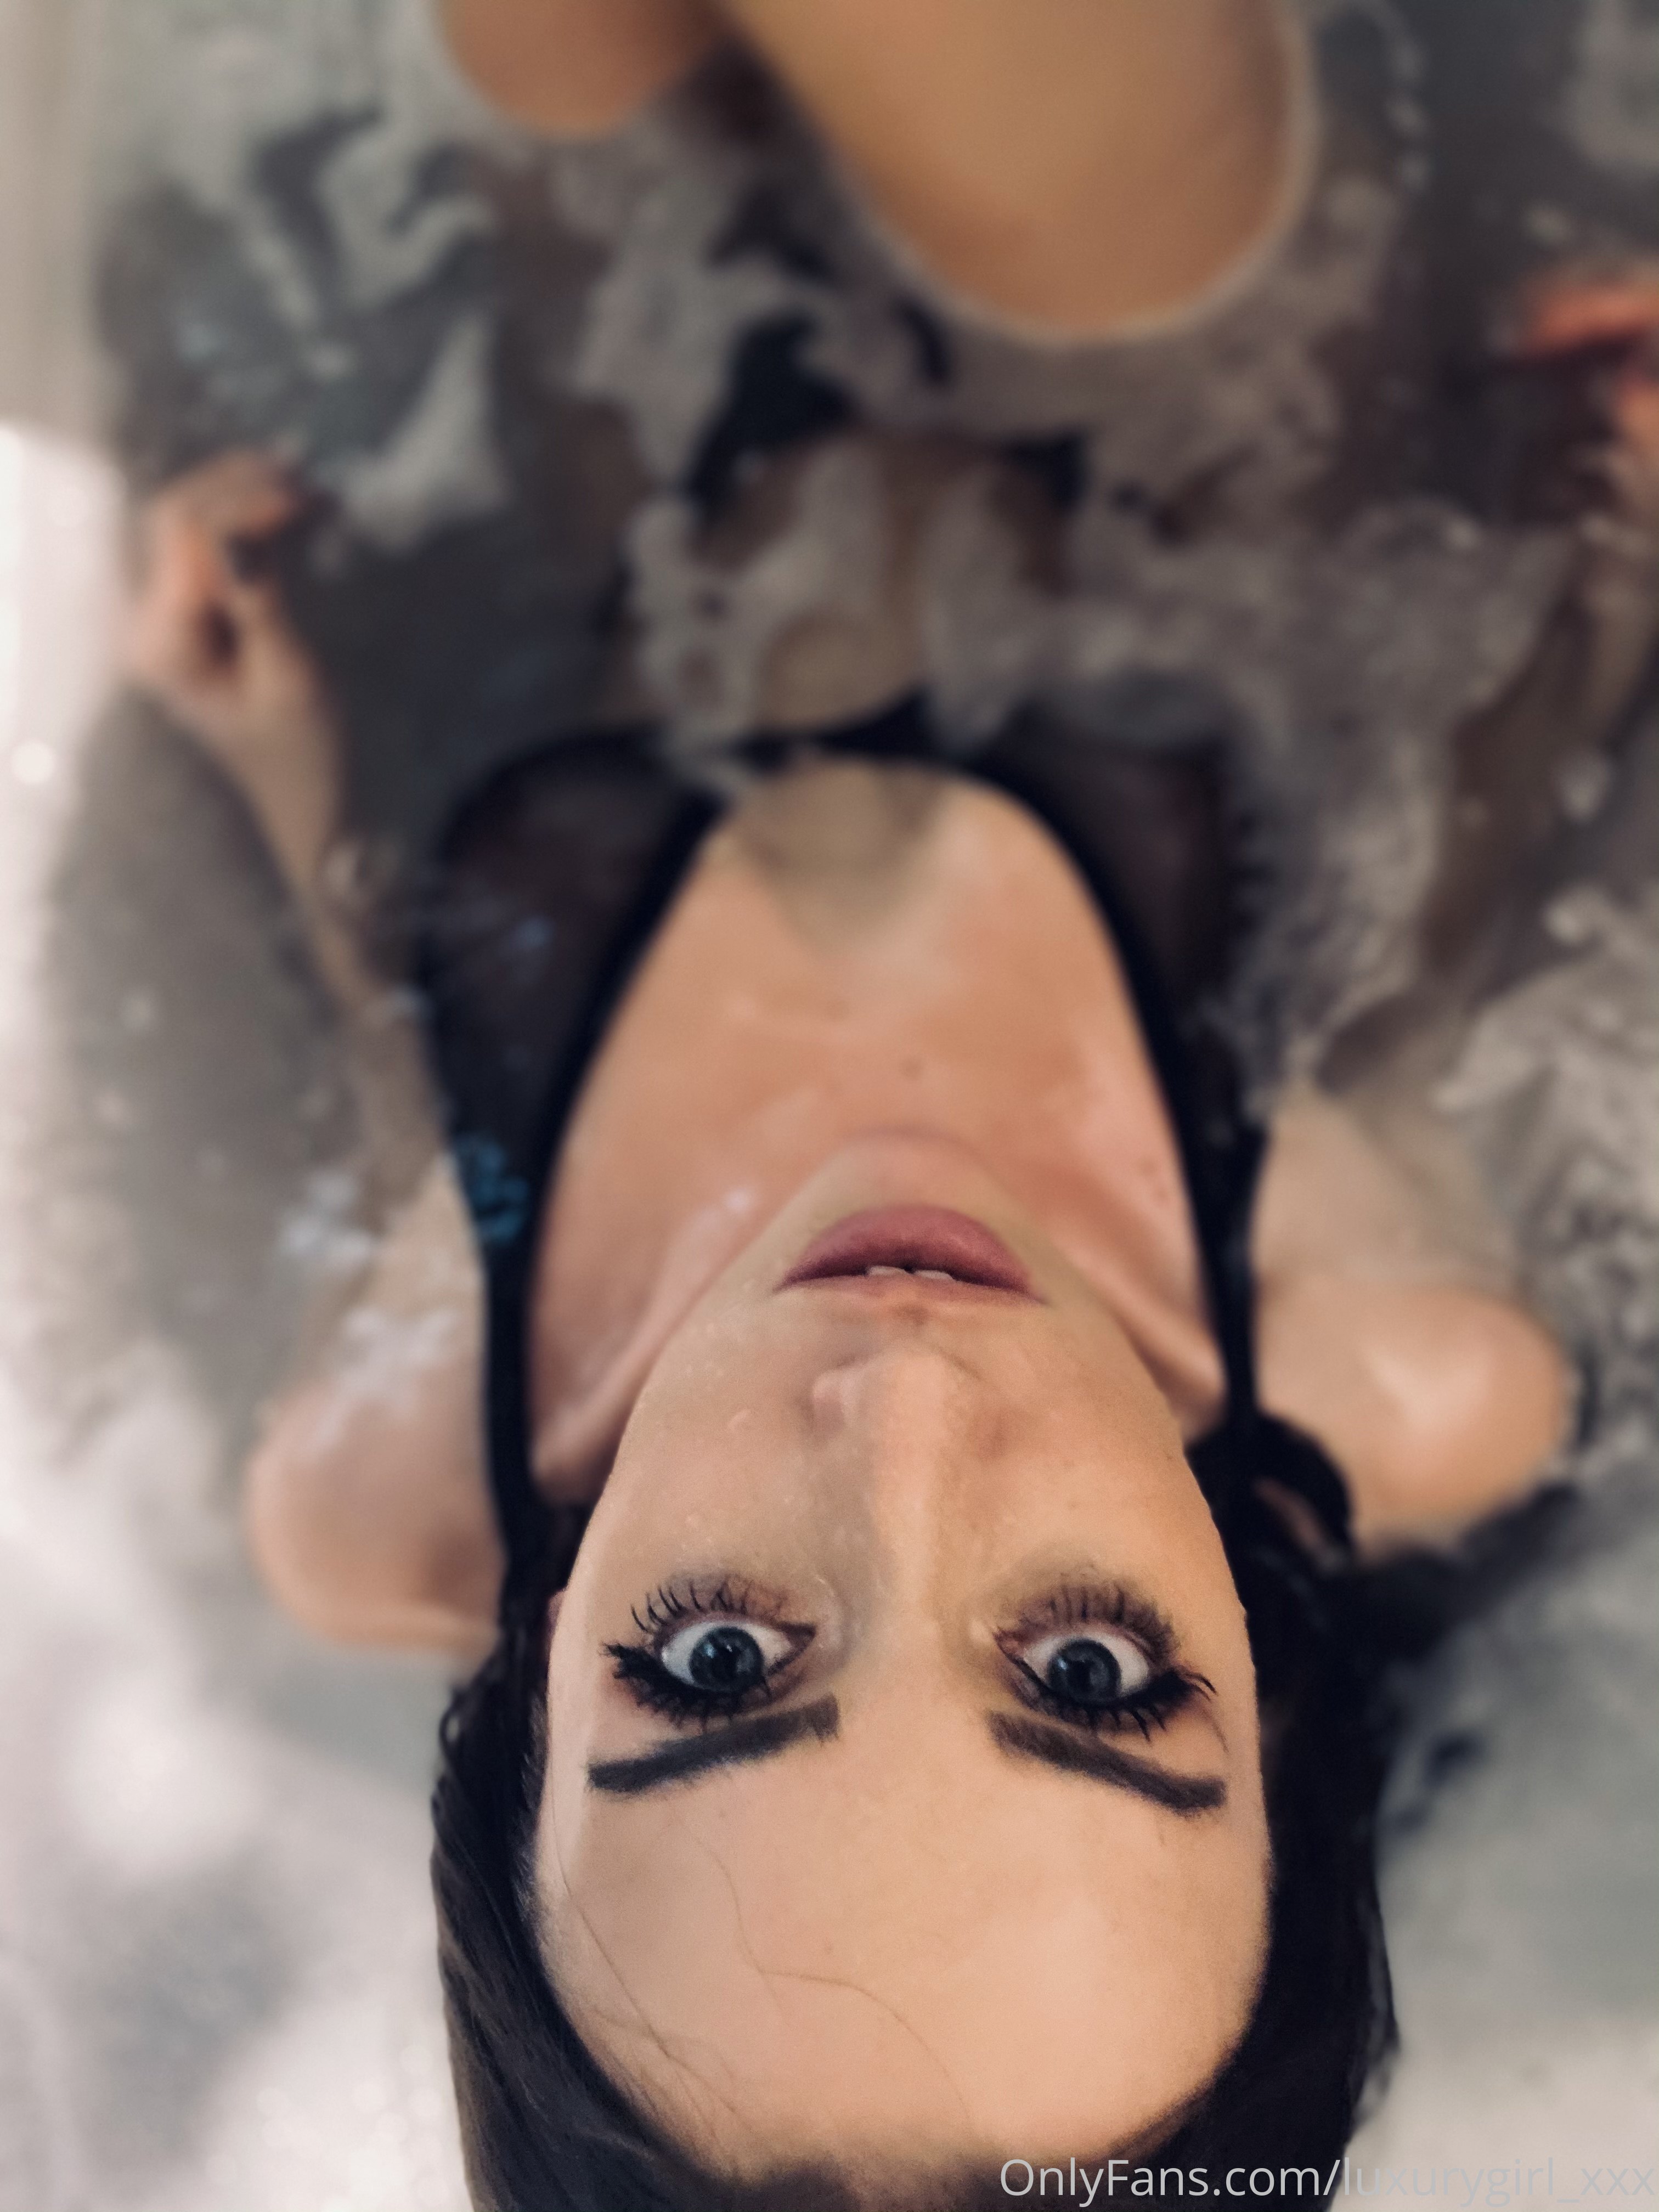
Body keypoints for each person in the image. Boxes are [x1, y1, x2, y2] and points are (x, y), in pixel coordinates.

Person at [112, 0, 1658, 2203]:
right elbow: (1432, 915)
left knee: (544, 57)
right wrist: (1604, 566)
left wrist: (281, 769)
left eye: (716, 1655)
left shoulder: (389, 1472)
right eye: (1095, 1672)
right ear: (1267, 1694)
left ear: (528, 1707)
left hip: (632, 483)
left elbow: (420, 1111)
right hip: (1169, 444)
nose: (904, 1408)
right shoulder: (1385, 1353)